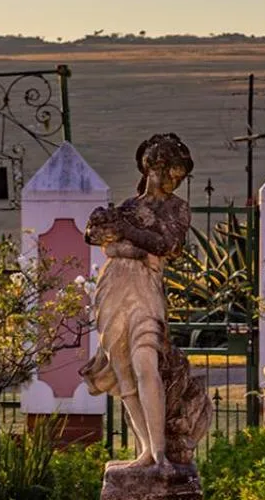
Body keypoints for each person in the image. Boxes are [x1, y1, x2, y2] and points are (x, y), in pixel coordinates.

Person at [80, 133, 193, 470]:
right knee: (123, 371)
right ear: (151, 168)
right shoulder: (129, 208)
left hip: (145, 290)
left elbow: (168, 245)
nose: (175, 180)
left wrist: (126, 237)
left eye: (180, 174)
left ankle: (160, 453)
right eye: (170, 172)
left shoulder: (176, 209)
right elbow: (97, 239)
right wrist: (133, 247)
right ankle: (145, 451)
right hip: (114, 287)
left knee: (146, 362)